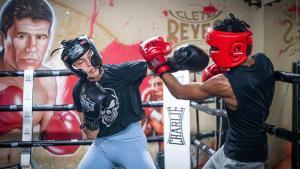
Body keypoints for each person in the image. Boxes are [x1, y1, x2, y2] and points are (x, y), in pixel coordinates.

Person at [140, 13, 275, 169]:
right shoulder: (264, 61)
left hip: (243, 159)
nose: (211, 52)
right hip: (232, 148)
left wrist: (159, 65)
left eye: (215, 48)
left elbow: (180, 91)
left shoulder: (225, 83)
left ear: (234, 48)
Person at [59, 34, 208, 169]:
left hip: (131, 141)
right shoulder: (79, 90)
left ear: (96, 53)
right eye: (80, 62)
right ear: (74, 68)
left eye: (90, 56)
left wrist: (179, 62)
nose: (88, 64)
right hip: (101, 146)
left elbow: (158, 67)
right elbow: (90, 135)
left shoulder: (121, 72)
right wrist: (91, 116)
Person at [0, 0, 82, 168]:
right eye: (22, 36)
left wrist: (66, 131)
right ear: (2, 38)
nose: (32, 47)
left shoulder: (46, 80)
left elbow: (46, 134)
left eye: (40, 37)